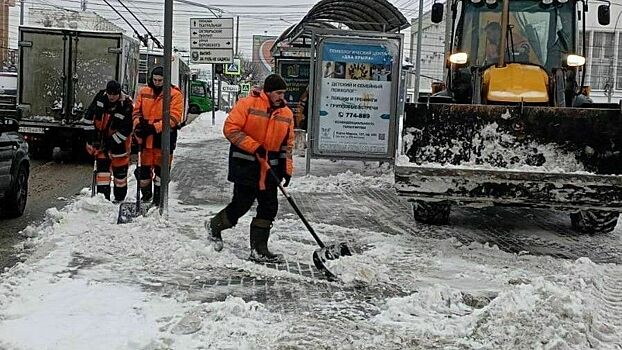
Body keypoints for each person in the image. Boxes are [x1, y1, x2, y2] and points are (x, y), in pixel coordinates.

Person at [205, 74, 295, 264]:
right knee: (241, 204)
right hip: (246, 165)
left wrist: (287, 169)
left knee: (269, 207)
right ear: (268, 92)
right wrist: (253, 146)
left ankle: (259, 249)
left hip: (270, 169)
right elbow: (230, 129)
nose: (282, 97)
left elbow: (288, 145)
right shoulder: (248, 104)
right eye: (278, 93)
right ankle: (214, 226)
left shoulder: (286, 114)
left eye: (283, 93)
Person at [132, 66, 184, 205]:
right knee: (144, 175)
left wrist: (154, 128)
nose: (157, 82)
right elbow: (136, 112)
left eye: (160, 80)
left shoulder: (175, 94)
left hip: (164, 140)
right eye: (154, 79)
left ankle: (158, 201)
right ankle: (146, 196)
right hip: (146, 140)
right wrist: (138, 125)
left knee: (161, 175)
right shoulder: (144, 92)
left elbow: (174, 118)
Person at [84, 80, 134, 202]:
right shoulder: (100, 98)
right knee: (102, 175)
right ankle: (103, 200)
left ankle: (119, 199)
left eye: (114, 94)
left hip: (119, 147)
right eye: (109, 94)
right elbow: (88, 118)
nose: (111, 97)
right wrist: (92, 139)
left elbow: (126, 130)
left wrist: (109, 143)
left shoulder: (126, 104)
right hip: (100, 144)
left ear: (119, 93)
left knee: (120, 177)